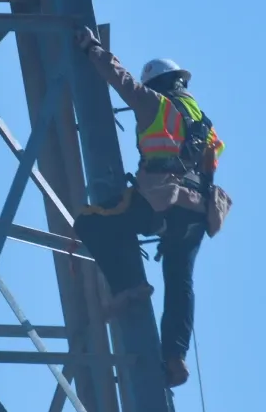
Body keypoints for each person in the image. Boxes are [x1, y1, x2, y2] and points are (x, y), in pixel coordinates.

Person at [72, 28, 230, 387]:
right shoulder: (206, 126)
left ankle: (129, 286)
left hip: (162, 203)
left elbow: (121, 80)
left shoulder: (156, 105)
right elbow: (210, 164)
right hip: (198, 213)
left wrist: (92, 47)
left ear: (158, 84)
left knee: (91, 223)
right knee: (180, 282)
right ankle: (175, 356)